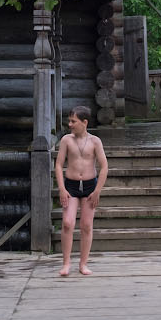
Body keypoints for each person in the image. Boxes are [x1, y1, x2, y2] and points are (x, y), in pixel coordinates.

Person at [53, 107, 109, 278]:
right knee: (68, 223)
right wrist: (61, 188)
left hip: (89, 186)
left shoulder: (95, 142)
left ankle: (83, 263)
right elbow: (58, 165)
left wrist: (97, 191)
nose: (70, 125)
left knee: (86, 225)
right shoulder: (66, 140)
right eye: (69, 121)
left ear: (84, 123)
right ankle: (66, 263)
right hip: (70, 185)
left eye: (73, 121)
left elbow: (104, 166)